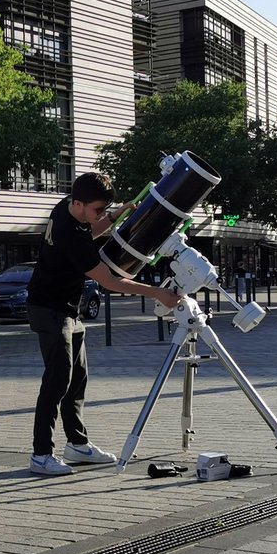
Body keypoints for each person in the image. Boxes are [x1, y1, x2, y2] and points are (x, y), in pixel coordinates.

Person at [25, 172, 180, 476]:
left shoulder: (67, 207)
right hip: (50, 310)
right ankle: (41, 454)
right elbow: (109, 281)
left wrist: (116, 215)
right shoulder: (71, 234)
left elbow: (92, 230)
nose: (98, 214)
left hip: (66, 310)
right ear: (80, 204)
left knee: (77, 377)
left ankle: (77, 445)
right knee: (57, 381)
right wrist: (156, 292)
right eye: (97, 209)